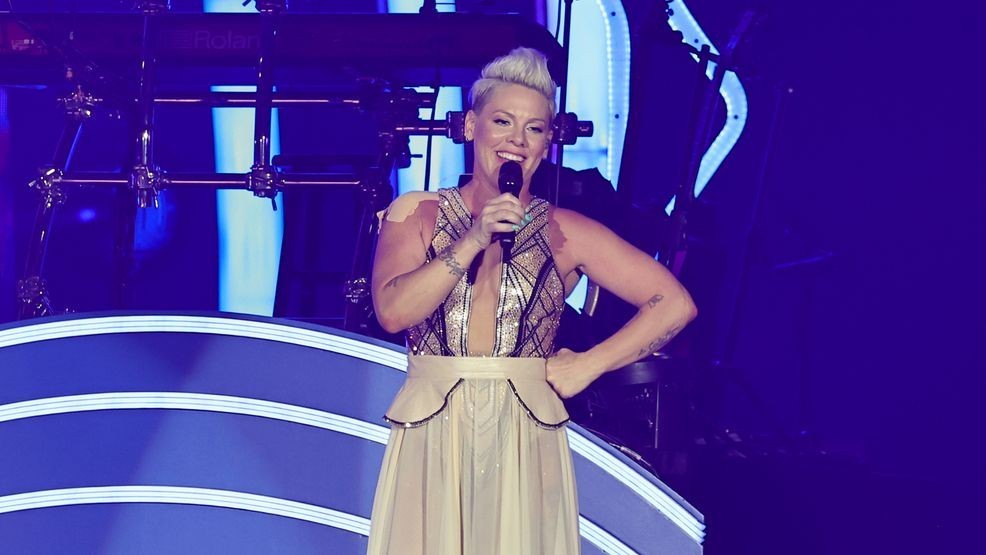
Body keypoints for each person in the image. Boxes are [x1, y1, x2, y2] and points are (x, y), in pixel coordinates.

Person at [366, 47, 697, 555]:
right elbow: (392, 312)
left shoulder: (567, 230)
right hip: (433, 426)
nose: (517, 140)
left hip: (523, 431)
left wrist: (589, 364)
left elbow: (672, 303)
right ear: (471, 127)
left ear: (547, 143)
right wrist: (473, 238)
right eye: (502, 122)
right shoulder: (417, 212)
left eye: (534, 128)